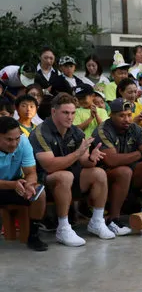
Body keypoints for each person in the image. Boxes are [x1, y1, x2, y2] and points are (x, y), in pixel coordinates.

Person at [29, 93, 115, 246]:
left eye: (73, 113)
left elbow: (84, 160)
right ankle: (63, 228)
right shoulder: (40, 133)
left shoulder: (76, 132)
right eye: (65, 113)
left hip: (71, 178)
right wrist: (78, 153)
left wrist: (91, 159)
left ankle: (97, 221)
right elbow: (50, 165)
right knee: (64, 176)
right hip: (43, 182)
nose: (70, 117)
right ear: (53, 112)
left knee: (99, 173)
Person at [92, 98, 142, 234]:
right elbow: (111, 161)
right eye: (122, 115)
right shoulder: (103, 130)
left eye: (129, 115)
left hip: (130, 171)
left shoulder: (135, 128)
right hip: (103, 176)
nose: (127, 119)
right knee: (124, 171)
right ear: (112, 115)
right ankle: (113, 219)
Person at [0, 117, 48, 251]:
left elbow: (31, 172)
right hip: (10, 185)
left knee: (38, 193)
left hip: (15, 184)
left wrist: (29, 184)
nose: (14, 143)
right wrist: (12, 185)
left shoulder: (24, 142)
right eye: (9, 139)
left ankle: (33, 235)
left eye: (17, 138)